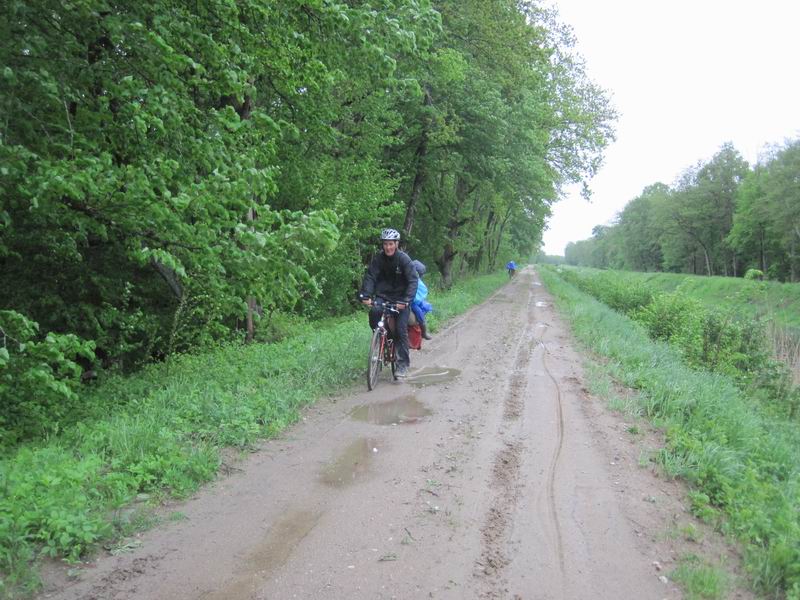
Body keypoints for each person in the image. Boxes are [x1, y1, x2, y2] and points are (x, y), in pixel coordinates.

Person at [359, 228, 419, 377]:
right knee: (374, 313)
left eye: (391, 244)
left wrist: (406, 300)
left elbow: (412, 281)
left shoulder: (404, 260)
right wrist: (365, 295)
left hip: (401, 299)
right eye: (385, 244)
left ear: (396, 244)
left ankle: (402, 365)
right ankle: (379, 340)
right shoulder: (378, 259)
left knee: (400, 329)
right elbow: (370, 277)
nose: (388, 247)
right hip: (382, 297)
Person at [410, 259, 433, 340]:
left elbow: (420, 294)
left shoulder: (418, 282)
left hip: (412, 303)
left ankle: (424, 332)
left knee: (420, 313)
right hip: (406, 301)